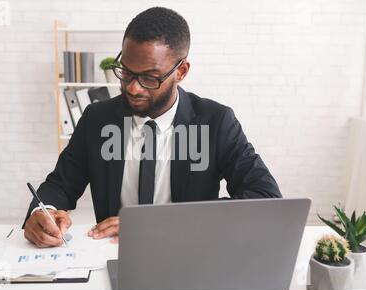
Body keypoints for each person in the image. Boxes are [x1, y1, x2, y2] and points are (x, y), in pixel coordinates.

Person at [23, 7, 282, 248]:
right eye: (126, 72)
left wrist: (159, 225)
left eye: (149, 78)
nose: (132, 88)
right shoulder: (96, 119)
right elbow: (60, 185)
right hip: (113, 253)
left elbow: (265, 198)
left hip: (188, 252)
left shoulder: (215, 121)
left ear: (181, 71)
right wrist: (41, 212)